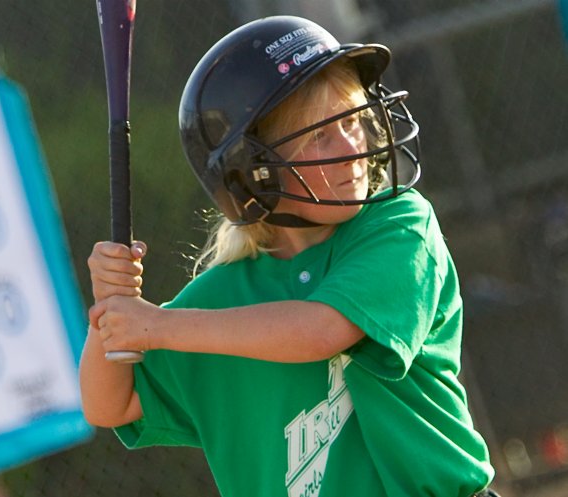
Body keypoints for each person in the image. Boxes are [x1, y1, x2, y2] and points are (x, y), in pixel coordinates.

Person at [80, 15, 498, 497]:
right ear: (253, 173)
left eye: (350, 122)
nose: (350, 150)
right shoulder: (222, 298)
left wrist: (156, 326)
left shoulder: (397, 225)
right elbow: (110, 404)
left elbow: (322, 330)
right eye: (319, 135)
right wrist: (110, 313)